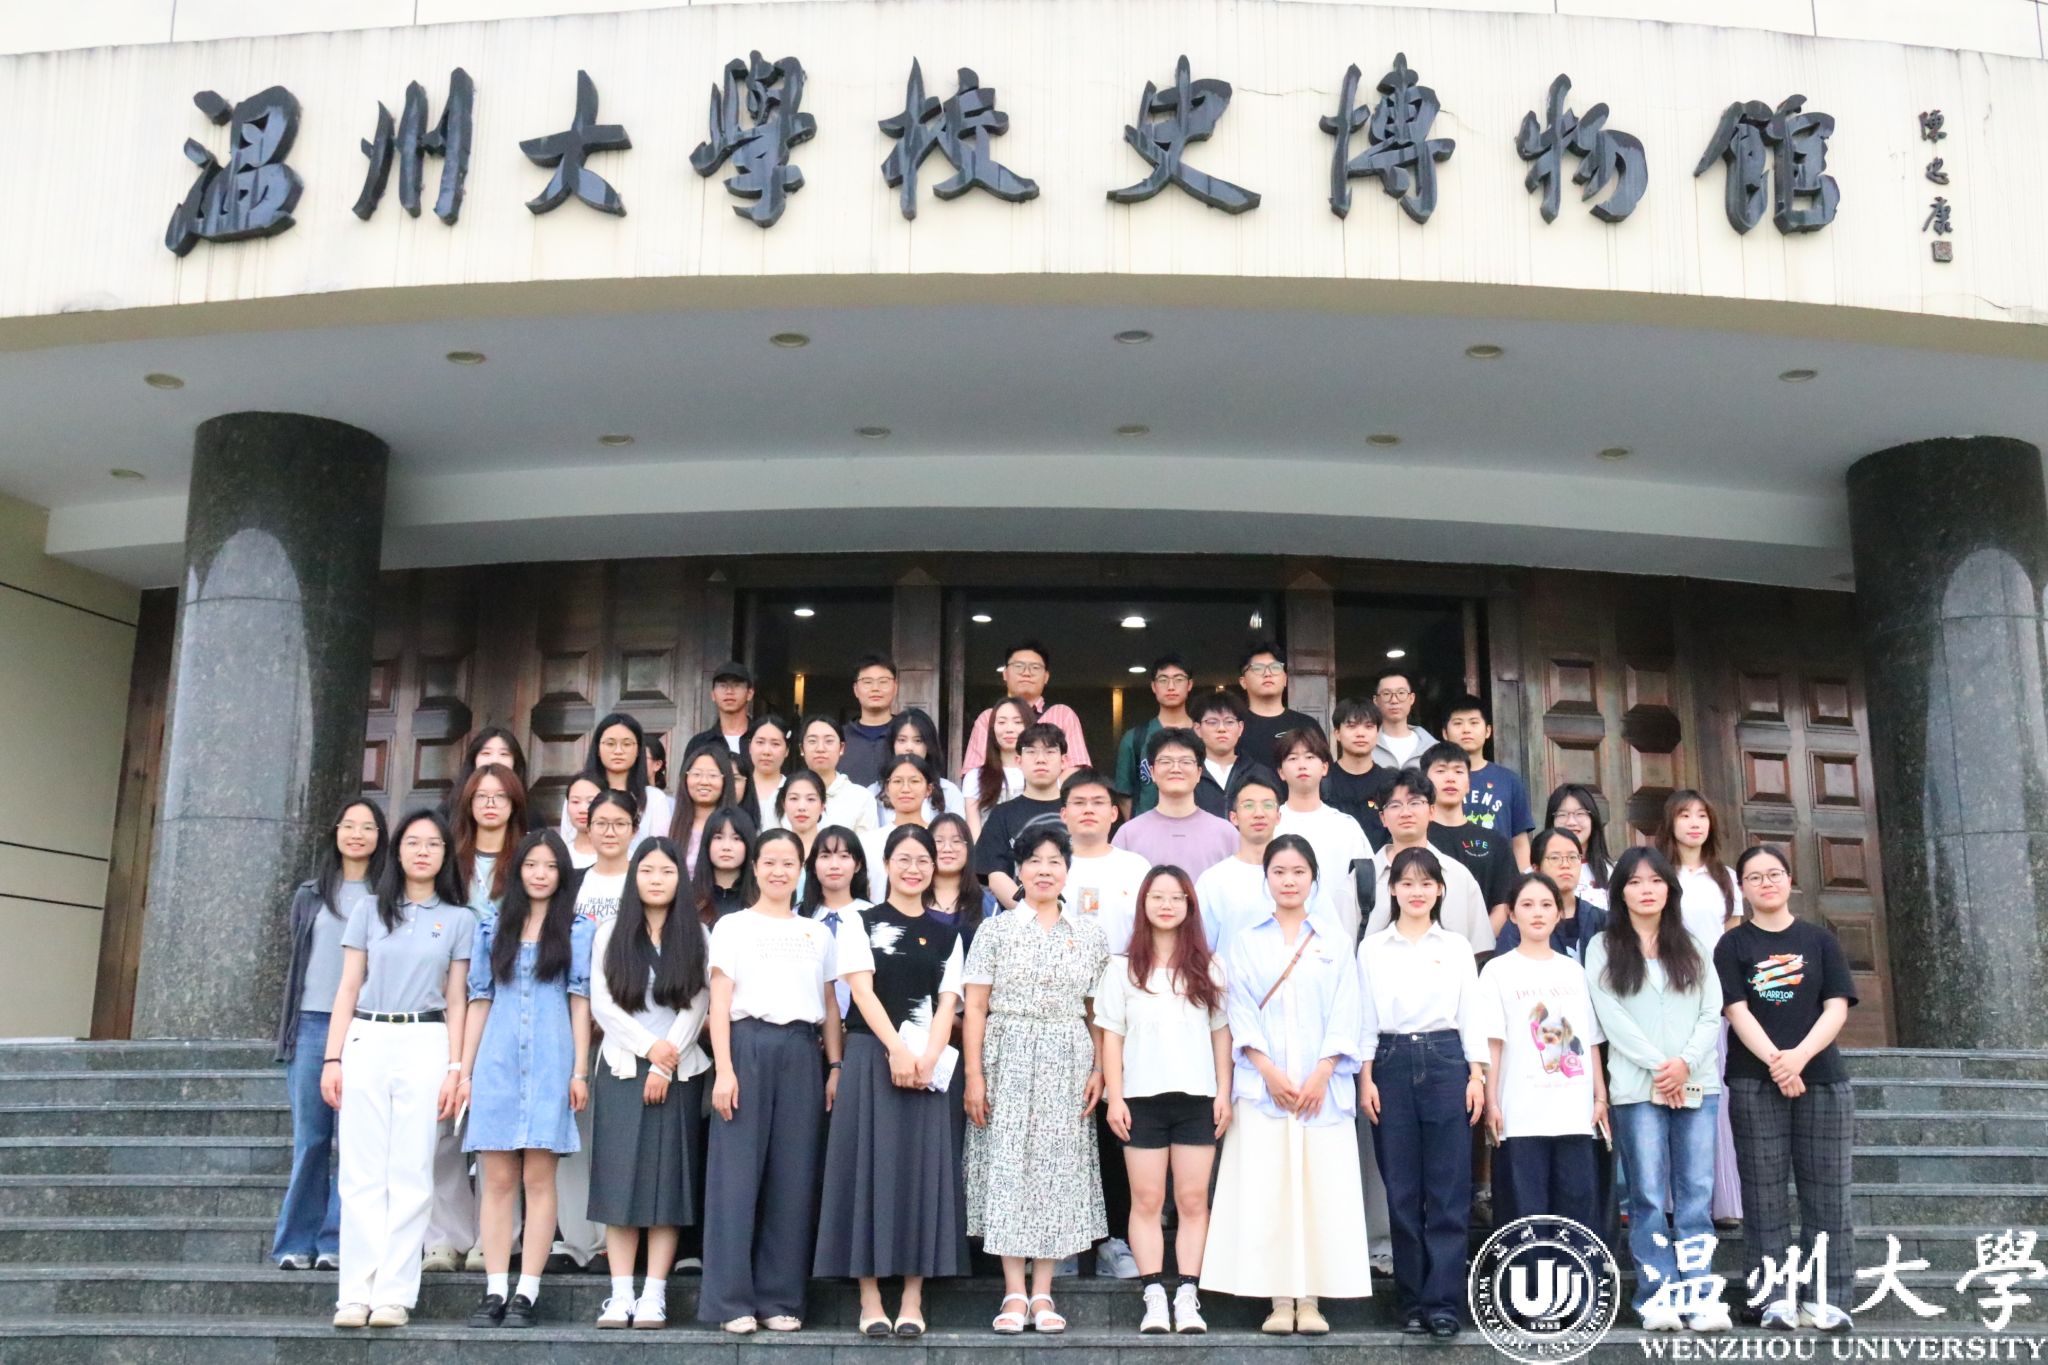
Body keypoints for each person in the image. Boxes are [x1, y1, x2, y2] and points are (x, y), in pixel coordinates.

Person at [1203, 835, 1370, 1334]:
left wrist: (1323, 1070)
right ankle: (1278, 1300)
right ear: (1267, 878)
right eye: (1279, 872)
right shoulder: (1246, 941)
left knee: (1321, 1193)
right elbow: (1239, 1009)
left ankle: (1312, 1299)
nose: (1289, 881)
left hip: (1323, 1089)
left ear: (1313, 878)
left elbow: (1348, 1010)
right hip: (1263, 1088)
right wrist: (1268, 1070)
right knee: (1267, 1191)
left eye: (1299, 872)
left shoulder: (1335, 942)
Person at [322, 808, 473, 1330]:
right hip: (367, 1037)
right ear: (398, 850)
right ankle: (354, 1293)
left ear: (445, 855)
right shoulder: (369, 910)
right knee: (361, 1174)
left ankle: (394, 1293)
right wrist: (333, 1057)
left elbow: (458, 999)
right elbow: (348, 986)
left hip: (426, 1039)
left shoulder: (458, 919)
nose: (422, 851)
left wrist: (456, 1067)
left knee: (412, 1172)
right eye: (413, 842)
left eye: (433, 843)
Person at [814, 825, 967, 1337]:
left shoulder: (948, 933)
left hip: (927, 1063)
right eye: (903, 859)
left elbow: (948, 1003)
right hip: (870, 1057)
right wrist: (897, 1050)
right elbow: (861, 992)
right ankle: (870, 1298)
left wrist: (926, 1057)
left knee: (921, 1176)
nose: (913, 869)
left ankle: (913, 1299)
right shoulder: (861, 923)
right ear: (886, 864)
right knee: (867, 1171)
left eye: (923, 859)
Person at [963, 825, 1111, 1335]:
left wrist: (1099, 1068)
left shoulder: (1089, 933)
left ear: (1067, 870)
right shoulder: (995, 931)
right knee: (1007, 1166)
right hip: (1006, 1053)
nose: (1044, 870)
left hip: (1067, 1057)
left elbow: (1096, 1010)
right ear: (1019, 871)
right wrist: (974, 1074)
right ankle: (1013, 1291)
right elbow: (975, 1007)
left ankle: (1044, 1291)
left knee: (1056, 1169)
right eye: (1034, 861)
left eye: (1055, 861)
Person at [701, 830, 844, 1334]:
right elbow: (719, 1001)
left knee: (793, 1176)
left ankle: (780, 1298)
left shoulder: (817, 933)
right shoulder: (732, 926)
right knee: (735, 1178)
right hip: (747, 1047)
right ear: (755, 868)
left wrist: (835, 1066)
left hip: (802, 1052)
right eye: (770, 862)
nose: (779, 871)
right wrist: (724, 1069)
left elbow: (830, 1006)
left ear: (800, 870)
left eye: (789, 863)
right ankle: (730, 1301)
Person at [1585, 846, 1729, 1333]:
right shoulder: (1604, 947)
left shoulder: (1692, 945)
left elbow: (1711, 1012)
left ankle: (1701, 1294)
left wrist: (1684, 1064)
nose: (1646, 890)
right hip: (1636, 1087)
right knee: (1647, 1195)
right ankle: (1658, 1294)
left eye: (1655, 881)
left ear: (1669, 889)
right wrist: (1659, 1067)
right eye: (1634, 882)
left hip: (1696, 1083)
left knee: (1695, 1195)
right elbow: (1610, 1015)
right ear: (1620, 892)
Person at [1716, 844, 1857, 1333]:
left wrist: (1798, 1058)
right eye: (1754, 877)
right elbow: (1736, 1011)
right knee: (1764, 1196)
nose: (1766, 883)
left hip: (1822, 1080)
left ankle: (1827, 1298)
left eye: (1774, 873)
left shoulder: (1819, 940)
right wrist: (1778, 1063)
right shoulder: (1732, 946)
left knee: (1828, 1196)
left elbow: (1836, 1006)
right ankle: (1772, 1298)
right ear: (1743, 888)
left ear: (1790, 879)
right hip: (1755, 1081)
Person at [458, 830, 594, 1329]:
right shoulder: (492, 928)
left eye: (551, 866)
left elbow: (580, 1004)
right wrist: (464, 1071)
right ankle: (495, 1287)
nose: (540, 874)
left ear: (562, 875)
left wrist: (579, 1071)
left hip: (551, 1065)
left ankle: (527, 1291)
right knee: (496, 1181)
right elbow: (479, 1000)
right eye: (532, 865)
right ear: (517, 871)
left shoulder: (577, 930)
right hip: (496, 1063)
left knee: (539, 1180)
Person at [1357, 846, 1487, 1339]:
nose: (1416, 892)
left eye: (1426, 883)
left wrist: (1476, 1075)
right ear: (1392, 889)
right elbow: (1364, 1016)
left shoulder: (1455, 946)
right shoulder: (1373, 948)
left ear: (1439, 890)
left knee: (1448, 1191)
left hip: (1447, 1060)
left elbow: (1472, 1013)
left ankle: (1443, 1302)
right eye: (1407, 883)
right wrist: (1366, 1077)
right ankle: (1411, 1301)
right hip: (1389, 1062)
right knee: (1403, 1191)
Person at [1098, 866, 1230, 1335]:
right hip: (1141, 1100)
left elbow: (1220, 1034)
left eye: (1176, 897)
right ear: (1144, 904)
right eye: (1157, 896)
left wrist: (1224, 1093)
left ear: (1189, 905)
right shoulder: (1121, 968)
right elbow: (1111, 1036)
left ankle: (1188, 1296)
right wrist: (1115, 1098)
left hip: (1197, 1098)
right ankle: (1154, 1295)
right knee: (1148, 1200)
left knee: (1193, 1200)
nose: (1167, 905)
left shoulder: (1210, 967)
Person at [588, 839, 712, 1330]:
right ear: (633, 877)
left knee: (668, 1184)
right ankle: (620, 1294)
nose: (656, 879)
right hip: (622, 1065)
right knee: (619, 1182)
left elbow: (699, 1003)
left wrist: (664, 1062)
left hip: (678, 1071)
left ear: (680, 879)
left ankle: (654, 1295)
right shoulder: (611, 933)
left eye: (666, 871)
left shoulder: (697, 935)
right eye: (647, 871)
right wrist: (648, 1049)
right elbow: (602, 1003)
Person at [273, 798, 387, 1272]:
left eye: (368, 827)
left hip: (365, 1026)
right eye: (349, 826)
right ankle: (296, 1241)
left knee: (354, 1142)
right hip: (311, 1024)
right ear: (336, 832)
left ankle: (337, 1240)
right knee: (312, 1138)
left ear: (380, 837)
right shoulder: (310, 893)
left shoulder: (387, 893)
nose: (357, 834)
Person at [435, 763, 528, 1273]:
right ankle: (445, 1236)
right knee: (445, 1126)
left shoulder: (526, 860)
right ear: (468, 803)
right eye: (481, 796)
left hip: (508, 1000)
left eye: (500, 796)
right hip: (448, 999)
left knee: (501, 1127)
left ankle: (497, 1237)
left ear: (514, 804)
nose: (490, 804)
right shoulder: (450, 860)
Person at [1478, 873, 1609, 1232]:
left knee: (1575, 1218)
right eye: (1527, 904)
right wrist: (1492, 1103)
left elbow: (1589, 1039)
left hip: (1574, 1113)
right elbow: (1493, 1043)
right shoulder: (1497, 971)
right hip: (1520, 1115)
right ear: (1512, 914)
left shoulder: (1574, 971)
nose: (1537, 912)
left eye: (1546, 904)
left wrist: (1600, 1096)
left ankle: (1573, 1273)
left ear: (1557, 914)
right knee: (1525, 1219)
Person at [552, 787, 637, 1273]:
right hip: (573, 1022)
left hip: (627, 1027)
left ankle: (612, 1240)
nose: (609, 831)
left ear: (634, 829)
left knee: (616, 1138)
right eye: (601, 822)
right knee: (573, 1132)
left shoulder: (643, 880)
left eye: (619, 823)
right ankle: (574, 1240)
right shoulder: (572, 884)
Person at [1654, 788, 1744, 1227]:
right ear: (1670, 823)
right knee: (1668, 1097)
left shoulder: (1726, 877)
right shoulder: (1659, 874)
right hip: (1667, 997)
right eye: (1685, 815)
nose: (1694, 823)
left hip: (1714, 1001)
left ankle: (1720, 1201)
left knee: (1714, 1099)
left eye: (1702, 815)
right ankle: (1669, 1200)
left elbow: (1732, 940)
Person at [1352, 769, 1494, 953]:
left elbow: (1480, 951)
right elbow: (1343, 954)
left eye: (1415, 803)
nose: (1406, 813)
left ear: (1432, 811)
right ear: (1382, 817)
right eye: (1394, 805)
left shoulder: (1458, 877)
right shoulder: (1361, 879)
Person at [1272, 729, 1371, 941]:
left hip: (1339, 939)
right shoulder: (1270, 825)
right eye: (1292, 758)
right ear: (1281, 772)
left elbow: (1367, 887)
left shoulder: (1346, 826)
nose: (1302, 765)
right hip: (1279, 939)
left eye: (1310, 757)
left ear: (1324, 767)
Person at [1112, 727, 1239, 878]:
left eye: (1185, 761)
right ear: (1152, 772)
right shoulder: (1128, 835)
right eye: (1166, 761)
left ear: (1199, 773)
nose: (1176, 769)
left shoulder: (1227, 834)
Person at [1420, 742, 1516, 934]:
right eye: (1441, 771)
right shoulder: (1415, 838)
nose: (1450, 778)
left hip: (1482, 947)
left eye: (1458, 771)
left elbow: (1504, 903)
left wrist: (1478, 943)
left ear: (1469, 783)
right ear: (1424, 781)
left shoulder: (1495, 842)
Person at [960, 640, 1091, 779]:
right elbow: (973, 775)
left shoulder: (1062, 715)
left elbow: (1077, 769)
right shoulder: (988, 717)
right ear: (1005, 673)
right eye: (1018, 666)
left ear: (1046, 677)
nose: (1026, 673)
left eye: (1035, 667)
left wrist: (1043, 790)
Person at [971, 721, 1067, 909]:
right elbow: (995, 875)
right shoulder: (1002, 815)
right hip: (1018, 918)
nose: (1040, 759)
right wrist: (1032, 915)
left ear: (1064, 761)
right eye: (1031, 752)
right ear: (1018, 761)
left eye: (1050, 752)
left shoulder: (1077, 810)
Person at [1061, 768, 1152, 955]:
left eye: (1098, 802)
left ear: (1113, 813)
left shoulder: (1136, 867)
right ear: (1064, 814)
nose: (1088, 810)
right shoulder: (1047, 868)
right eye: (1079, 802)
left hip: (1124, 969)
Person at [1443, 695, 1535, 871]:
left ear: (1488, 731)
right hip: (1450, 874)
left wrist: (1525, 880)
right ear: (1445, 733)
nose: (1466, 730)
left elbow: (1520, 842)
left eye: (1474, 722)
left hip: (1499, 874)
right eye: (1458, 723)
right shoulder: (1435, 780)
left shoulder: (1509, 780)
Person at [1495, 828, 1608, 960]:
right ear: (1536, 868)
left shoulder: (1600, 919)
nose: (1565, 864)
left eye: (1572, 857)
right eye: (1555, 858)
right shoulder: (1520, 924)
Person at [567, 712, 672, 845]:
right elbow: (568, 843)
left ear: (638, 750)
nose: (618, 751)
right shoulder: (579, 793)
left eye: (627, 744)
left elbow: (659, 849)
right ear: (598, 748)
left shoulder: (654, 799)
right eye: (610, 744)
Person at [1113, 654, 1195, 818]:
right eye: (1163, 680)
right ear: (1153, 686)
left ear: (1189, 684)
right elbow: (1124, 793)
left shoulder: (1205, 734)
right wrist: (1139, 828)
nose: (1171, 687)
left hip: (1198, 829)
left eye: (1178, 679)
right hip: (1147, 831)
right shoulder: (1135, 738)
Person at [1324, 697, 1395, 847]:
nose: (1360, 733)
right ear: (1337, 733)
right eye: (1351, 726)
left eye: (1368, 726)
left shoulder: (1392, 783)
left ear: (1377, 732)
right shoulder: (1322, 782)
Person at [1237, 642, 1323, 766]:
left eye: (1275, 667)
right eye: (1258, 668)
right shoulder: (1233, 727)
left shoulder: (1307, 725)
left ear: (1285, 679)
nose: (1268, 674)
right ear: (1243, 682)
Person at [876, 707, 967, 821]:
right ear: (892, 744)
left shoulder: (948, 791)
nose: (909, 748)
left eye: (918, 741)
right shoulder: (874, 792)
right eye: (902, 740)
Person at [966, 696, 1033, 840]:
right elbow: (975, 835)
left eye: (1018, 722)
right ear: (992, 729)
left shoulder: (1043, 774)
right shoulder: (975, 777)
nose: (1009, 729)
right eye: (1002, 722)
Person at [800, 714, 879, 833]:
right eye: (812, 741)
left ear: (841, 748)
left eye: (829, 741)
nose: (820, 748)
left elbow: (867, 844)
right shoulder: (784, 795)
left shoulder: (861, 798)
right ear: (802, 749)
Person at [670, 742, 742, 874]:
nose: (704, 782)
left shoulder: (740, 826)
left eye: (713, 775)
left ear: (726, 780)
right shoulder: (668, 825)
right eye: (696, 774)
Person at [928, 812, 997, 949]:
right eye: (939, 841)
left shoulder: (988, 904)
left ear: (968, 849)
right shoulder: (912, 899)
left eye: (956, 841)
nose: (947, 848)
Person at [862, 752, 941, 871]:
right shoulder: (868, 842)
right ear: (887, 788)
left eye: (914, 781)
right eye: (897, 781)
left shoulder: (938, 839)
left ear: (928, 789)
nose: (905, 789)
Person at [1546, 783, 1614, 910]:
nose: (1571, 822)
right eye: (1562, 814)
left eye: (1580, 813)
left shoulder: (1613, 873)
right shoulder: (1536, 873)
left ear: (1593, 819)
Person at [840, 653, 900, 790]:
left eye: (883, 681)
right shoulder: (838, 738)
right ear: (856, 689)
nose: (875, 688)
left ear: (895, 687)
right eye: (867, 682)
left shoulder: (908, 736)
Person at [691, 805, 757, 923]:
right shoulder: (687, 896)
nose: (726, 847)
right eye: (718, 837)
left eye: (736, 838)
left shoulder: (761, 898)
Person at [444, 728, 530, 817]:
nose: (495, 760)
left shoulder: (529, 812)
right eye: (486, 753)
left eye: (504, 754)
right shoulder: (450, 808)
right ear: (474, 760)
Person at [1191, 691, 1251, 819]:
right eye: (1212, 722)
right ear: (1197, 729)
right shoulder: (1187, 775)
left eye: (1229, 722)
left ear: (1240, 728)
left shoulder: (1258, 773)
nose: (1221, 729)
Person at [736, 714, 793, 832]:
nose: (766, 751)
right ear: (749, 747)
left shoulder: (794, 790)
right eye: (760, 742)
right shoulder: (737, 788)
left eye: (775, 744)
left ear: (787, 751)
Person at [1372, 669, 1435, 770]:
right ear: (1376, 701)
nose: (1394, 700)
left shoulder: (1433, 747)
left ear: (1412, 698)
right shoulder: (1365, 745)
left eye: (1401, 693)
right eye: (1386, 694)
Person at [687, 661, 755, 756]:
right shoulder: (698, 744)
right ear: (713, 694)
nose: (729, 691)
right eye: (723, 686)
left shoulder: (764, 739)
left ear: (749, 694)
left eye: (736, 685)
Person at [775, 769, 828, 857]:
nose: (801, 807)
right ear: (784, 804)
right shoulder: (772, 850)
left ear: (822, 806)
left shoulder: (833, 850)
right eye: (794, 798)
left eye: (811, 799)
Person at [563, 775, 604, 869]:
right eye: (575, 802)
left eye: (591, 802)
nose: (583, 810)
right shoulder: (558, 856)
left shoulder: (625, 857)